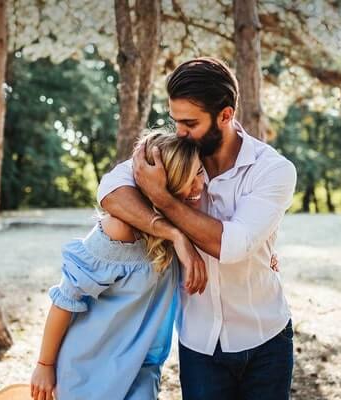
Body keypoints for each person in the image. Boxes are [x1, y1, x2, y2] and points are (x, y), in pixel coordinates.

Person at [98, 57, 297, 399]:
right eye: (175, 121)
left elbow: (232, 245)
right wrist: (174, 234)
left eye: (190, 123)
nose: (180, 133)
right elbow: (110, 192)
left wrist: (163, 197)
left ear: (226, 115)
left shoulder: (273, 170)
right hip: (199, 345)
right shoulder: (173, 154)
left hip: (266, 341)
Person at [29, 130, 204, 400]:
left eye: (200, 172)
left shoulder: (184, 221)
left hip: (142, 372)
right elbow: (65, 299)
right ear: (164, 185)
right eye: (189, 178)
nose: (199, 186)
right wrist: (44, 365)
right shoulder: (119, 228)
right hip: (89, 371)